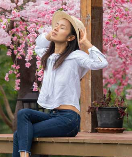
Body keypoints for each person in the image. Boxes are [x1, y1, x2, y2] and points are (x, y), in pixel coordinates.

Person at [12, 10, 108, 157]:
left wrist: (85, 43)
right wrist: (49, 35)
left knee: (20, 135)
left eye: (62, 27)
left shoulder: (76, 57)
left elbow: (101, 63)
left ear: (70, 37)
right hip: (53, 116)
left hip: (69, 120)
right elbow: (38, 45)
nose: (56, 28)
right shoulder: (50, 58)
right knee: (24, 114)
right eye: (56, 25)